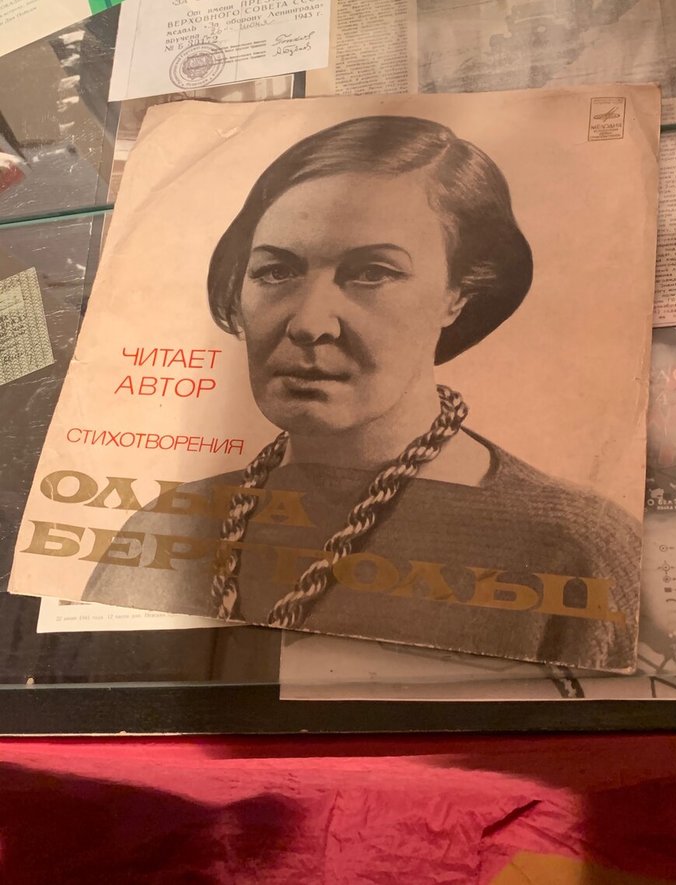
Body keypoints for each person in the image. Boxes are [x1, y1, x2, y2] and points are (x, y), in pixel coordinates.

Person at [84, 114, 641, 671]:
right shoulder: (167, 526)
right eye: (276, 272)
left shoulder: (577, 547)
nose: (309, 323)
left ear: (458, 295)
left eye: (372, 273)